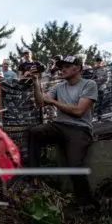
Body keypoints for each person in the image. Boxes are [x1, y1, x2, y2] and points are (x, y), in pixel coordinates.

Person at [27, 55, 98, 205]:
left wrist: (53, 101)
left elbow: (79, 111)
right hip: (60, 125)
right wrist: (35, 82)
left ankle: (86, 204)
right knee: (35, 131)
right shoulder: (59, 86)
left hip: (80, 129)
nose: (62, 70)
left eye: (66, 66)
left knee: (74, 165)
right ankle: (34, 178)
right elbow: (40, 103)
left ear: (77, 68)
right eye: (61, 67)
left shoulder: (89, 84)